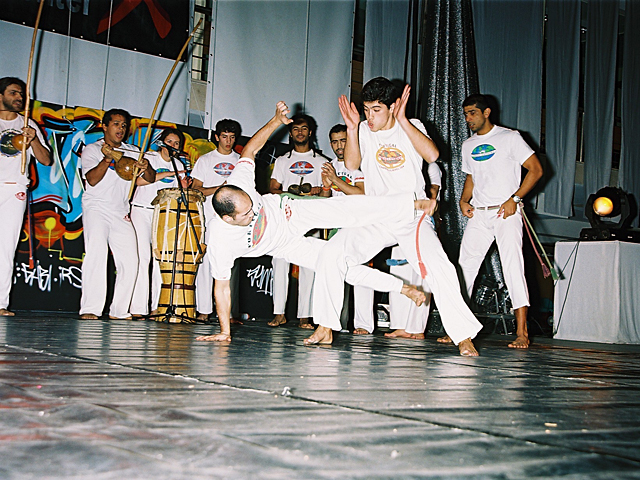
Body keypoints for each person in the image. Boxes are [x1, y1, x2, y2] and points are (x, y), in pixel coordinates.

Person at [195, 101, 430, 343]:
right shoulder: (220, 240)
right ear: (227, 219)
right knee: (336, 264)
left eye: (251, 206)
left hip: (289, 212)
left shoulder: (239, 182)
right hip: (283, 246)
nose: (253, 213)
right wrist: (224, 331)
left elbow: (250, 150)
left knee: (343, 209)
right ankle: (403, 289)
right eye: (245, 215)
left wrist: (276, 121)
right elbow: (221, 288)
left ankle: (410, 205)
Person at [309, 77, 483, 355]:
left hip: (410, 213)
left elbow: (433, 154)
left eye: (376, 110)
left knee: (439, 266)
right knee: (332, 253)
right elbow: (353, 164)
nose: (370, 116)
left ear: (392, 107)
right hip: (377, 213)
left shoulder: (412, 126)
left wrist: (402, 120)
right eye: (366, 109)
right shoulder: (364, 128)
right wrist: (353, 128)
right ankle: (325, 326)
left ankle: (462, 336)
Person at [438, 94, 543, 349]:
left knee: (512, 267)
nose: (468, 118)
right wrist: (464, 200)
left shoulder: (510, 137)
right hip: (481, 214)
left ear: (486, 113)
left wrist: (515, 198)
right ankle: (459, 328)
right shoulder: (468, 145)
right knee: (464, 269)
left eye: (472, 113)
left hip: (506, 211)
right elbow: (472, 176)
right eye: (465, 114)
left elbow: (536, 170)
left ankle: (522, 333)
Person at [79, 109, 155, 319]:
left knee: (131, 260)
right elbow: (92, 180)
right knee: (97, 254)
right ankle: (90, 309)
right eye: (116, 124)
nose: (121, 129)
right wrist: (106, 159)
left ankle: (119, 310)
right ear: (104, 126)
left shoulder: (133, 151)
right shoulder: (92, 149)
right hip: (96, 207)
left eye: (124, 125)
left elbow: (149, 177)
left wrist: (145, 166)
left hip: (120, 210)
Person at [268, 114, 328, 329]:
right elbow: (273, 188)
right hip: (285, 218)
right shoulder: (282, 161)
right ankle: (279, 313)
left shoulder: (322, 162)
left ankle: (305, 316)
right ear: (290, 133)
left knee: (309, 265)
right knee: (279, 262)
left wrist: (318, 190)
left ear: (310, 132)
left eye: (304, 129)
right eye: (295, 129)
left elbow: (327, 194)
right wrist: (288, 192)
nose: (299, 132)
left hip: (311, 219)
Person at [0, 77, 52, 316]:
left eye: (21, 94)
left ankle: (0, 303)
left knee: (5, 248)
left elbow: (46, 159)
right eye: (13, 93)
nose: (19, 98)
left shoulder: (28, 124)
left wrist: (32, 140)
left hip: (15, 188)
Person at [130, 128, 189, 317]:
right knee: (142, 258)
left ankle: (157, 306)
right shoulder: (149, 158)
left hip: (163, 214)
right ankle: (138, 308)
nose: (172, 146)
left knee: (159, 260)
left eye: (176, 143)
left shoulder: (179, 163)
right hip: (141, 210)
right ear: (162, 142)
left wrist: (184, 187)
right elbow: (138, 182)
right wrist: (167, 173)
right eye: (169, 142)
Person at [321, 124, 374, 335]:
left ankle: (364, 324)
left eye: (343, 140)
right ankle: (334, 323)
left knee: (361, 273)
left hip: (360, 224)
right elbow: (326, 198)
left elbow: (360, 194)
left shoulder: (361, 163)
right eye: (334, 141)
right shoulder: (329, 165)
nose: (339, 146)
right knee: (334, 273)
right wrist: (326, 186)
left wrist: (335, 180)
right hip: (337, 225)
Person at [191, 119, 242, 321]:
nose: (228, 141)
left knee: (230, 265)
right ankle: (204, 310)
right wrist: (220, 189)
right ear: (216, 137)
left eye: (232, 137)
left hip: (232, 219)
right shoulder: (205, 160)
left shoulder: (240, 160)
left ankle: (228, 313)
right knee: (205, 264)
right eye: (224, 137)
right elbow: (196, 188)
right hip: (208, 217)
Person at [385, 162, 442, 339]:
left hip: (421, 221)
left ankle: (416, 327)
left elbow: (432, 192)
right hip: (400, 219)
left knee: (422, 275)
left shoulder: (431, 167)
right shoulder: (399, 162)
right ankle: (400, 325)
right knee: (399, 272)